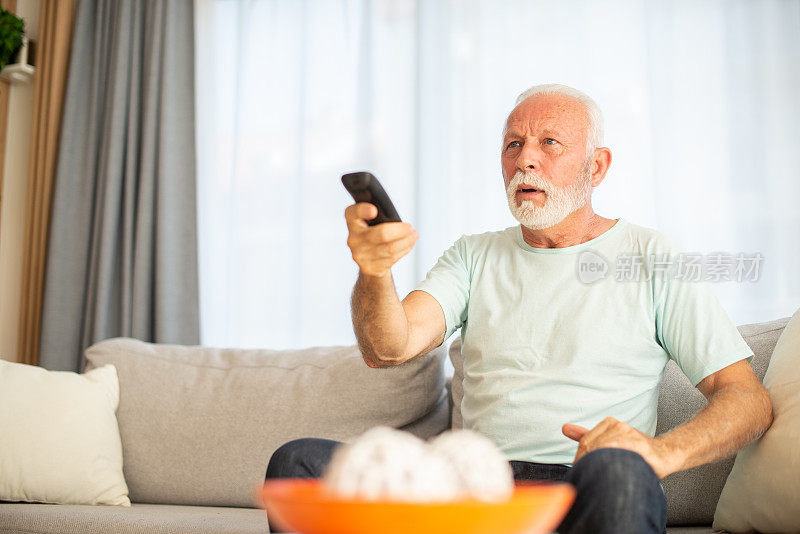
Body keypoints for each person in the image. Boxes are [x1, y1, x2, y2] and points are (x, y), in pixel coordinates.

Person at [265, 84, 773, 534]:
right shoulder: (473, 254)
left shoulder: (651, 256)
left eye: (548, 143)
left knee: (620, 470)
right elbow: (388, 348)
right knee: (300, 462)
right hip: (469, 488)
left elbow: (747, 399)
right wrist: (374, 271)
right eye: (513, 144)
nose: (525, 159)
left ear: (596, 166)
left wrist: (660, 453)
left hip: (582, 483)